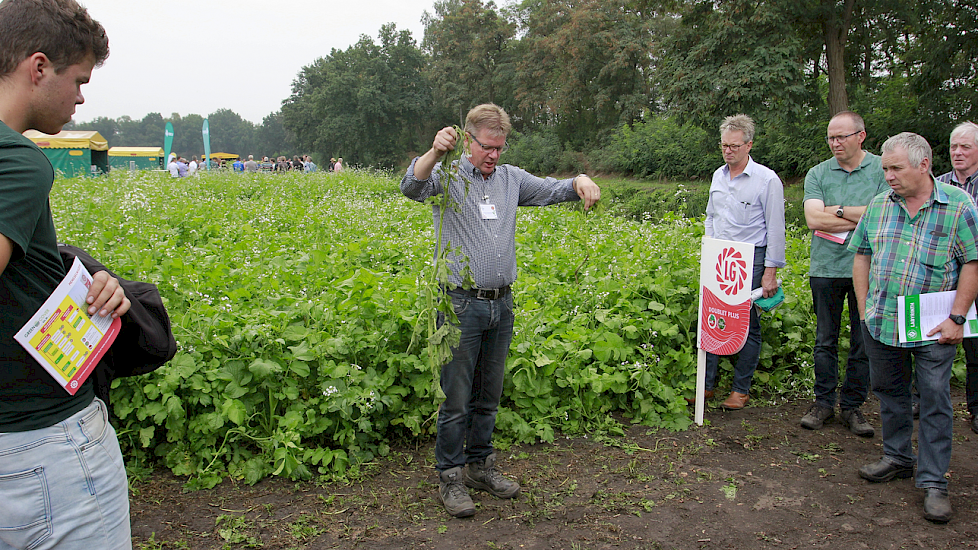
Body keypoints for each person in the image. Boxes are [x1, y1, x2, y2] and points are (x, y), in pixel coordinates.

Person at [401, 103, 599, 518]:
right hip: (459, 304)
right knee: (456, 399)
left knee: (487, 396)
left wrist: (580, 179)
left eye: (500, 147)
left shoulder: (511, 180)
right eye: (487, 147)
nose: (494, 155)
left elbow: (554, 189)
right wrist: (435, 152)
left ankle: (480, 467)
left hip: (500, 304)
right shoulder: (448, 175)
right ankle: (451, 478)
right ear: (468, 138)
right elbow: (411, 187)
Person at [0, 0, 134, 548]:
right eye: (78, 80)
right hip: (46, 448)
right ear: (38, 68)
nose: (81, 98)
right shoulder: (19, 160)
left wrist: (77, 275)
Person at [851, 132, 978, 524]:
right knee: (889, 391)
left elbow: (973, 262)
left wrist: (958, 317)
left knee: (936, 399)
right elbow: (862, 255)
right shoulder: (878, 206)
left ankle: (934, 480)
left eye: (895, 168)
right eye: (885, 168)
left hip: (934, 325)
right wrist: (863, 310)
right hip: (884, 320)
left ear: (924, 165)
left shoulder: (957, 206)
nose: (888, 175)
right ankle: (897, 456)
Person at [799, 111, 887, 436]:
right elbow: (813, 220)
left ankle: (853, 406)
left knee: (863, 339)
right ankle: (822, 403)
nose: (835, 143)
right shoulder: (818, 173)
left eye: (841, 137)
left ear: (860, 136)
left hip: (869, 268)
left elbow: (883, 214)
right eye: (831, 138)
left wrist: (834, 210)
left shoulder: (881, 169)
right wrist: (859, 216)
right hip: (825, 268)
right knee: (825, 340)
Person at [701, 114, 786, 410]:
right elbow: (711, 216)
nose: (728, 151)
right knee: (711, 315)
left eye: (735, 146)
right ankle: (706, 386)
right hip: (719, 257)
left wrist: (770, 273)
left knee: (745, 323)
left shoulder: (767, 180)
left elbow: (776, 228)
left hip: (751, 260)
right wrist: (710, 246)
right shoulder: (717, 176)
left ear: (749, 145)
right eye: (725, 145)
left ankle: (741, 389)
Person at [936, 121, 978, 435]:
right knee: (932, 340)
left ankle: (975, 408)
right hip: (944, 275)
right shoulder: (936, 184)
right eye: (954, 147)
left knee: (975, 344)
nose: (958, 153)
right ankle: (925, 399)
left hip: (974, 270)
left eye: (965, 147)